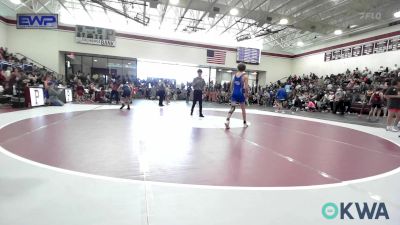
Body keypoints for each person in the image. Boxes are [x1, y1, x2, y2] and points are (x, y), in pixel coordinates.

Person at [224, 63, 249, 129]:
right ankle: (244, 123)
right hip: (241, 94)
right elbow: (246, 87)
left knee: (232, 107)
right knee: (243, 109)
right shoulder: (245, 76)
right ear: (244, 68)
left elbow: (231, 85)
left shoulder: (234, 75)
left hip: (234, 93)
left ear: (238, 68)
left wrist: (231, 92)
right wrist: (247, 94)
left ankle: (227, 120)